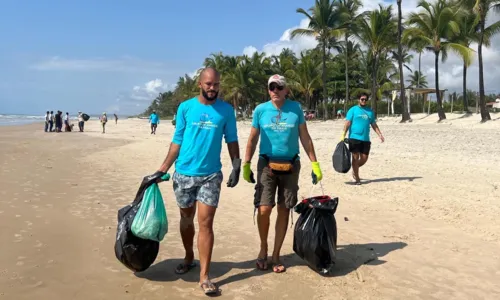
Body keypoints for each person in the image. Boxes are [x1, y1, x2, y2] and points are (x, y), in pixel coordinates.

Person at [150, 67, 241, 295]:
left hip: (210, 175)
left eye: (216, 85)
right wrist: (162, 169)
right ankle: (189, 256)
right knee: (186, 218)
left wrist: (237, 165)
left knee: (206, 223)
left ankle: (204, 275)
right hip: (183, 174)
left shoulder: (226, 111)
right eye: (209, 84)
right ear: (200, 84)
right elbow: (177, 141)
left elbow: (231, 140)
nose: (213, 88)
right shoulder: (186, 108)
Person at [243, 74, 323, 273]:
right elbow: (253, 139)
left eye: (279, 87)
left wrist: (315, 163)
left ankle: (277, 253)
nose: (275, 91)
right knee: (264, 208)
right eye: (271, 87)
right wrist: (245, 164)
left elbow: (305, 137)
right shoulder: (260, 110)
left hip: (291, 166)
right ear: (268, 89)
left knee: (284, 209)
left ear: (286, 89)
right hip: (266, 165)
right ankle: (263, 247)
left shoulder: (295, 109)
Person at [340, 92, 385, 185]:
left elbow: (373, 124)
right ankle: (357, 178)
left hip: (365, 139)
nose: (364, 101)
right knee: (355, 158)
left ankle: (354, 169)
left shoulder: (370, 112)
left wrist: (380, 134)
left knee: (364, 158)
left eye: (365, 99)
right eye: (362, 99)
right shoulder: (353, 110)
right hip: (354, 137)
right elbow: (348, 123)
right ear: (359, 100)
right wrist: (343, 134)